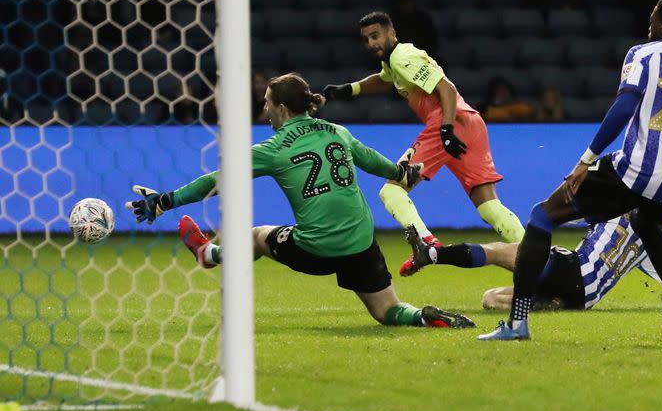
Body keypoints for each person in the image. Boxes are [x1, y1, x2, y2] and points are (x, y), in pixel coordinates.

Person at [478, 0, 662, 341]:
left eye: (652, 18)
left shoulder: (643, 54)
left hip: (637, 169)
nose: (649, 25)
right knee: (645, 224)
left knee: (542, 215)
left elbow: (622, 109)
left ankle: (516, 324)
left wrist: (586, 160)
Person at [125, 73, 474, 330]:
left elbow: (215, 181)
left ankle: (209, 254)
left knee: (255, 236)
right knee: (387, 312)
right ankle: (422, 317)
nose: (264, 111)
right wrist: (404, 173)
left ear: (280, 108)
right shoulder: (338, 132)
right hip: (361, 241)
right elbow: (376, 163)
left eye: (266, 104)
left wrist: (164, 202)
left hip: (317, 249)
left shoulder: (273, 149)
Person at [323, 11, 524, 274]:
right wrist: (351, 89)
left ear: (391, 33)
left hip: (446, 123)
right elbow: (384, 80)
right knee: (488, 206)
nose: (371, 43)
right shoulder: (394, 61)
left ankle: (427, 245)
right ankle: (537, 255)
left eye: (376, 36)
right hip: (470, 123)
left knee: (392, 191)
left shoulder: (403, 58)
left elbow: (447, 89)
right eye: (366, 39)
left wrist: (447, 130)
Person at [401, 212, 662, 312]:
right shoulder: (648, 246)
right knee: (490, 298)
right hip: (582, 297)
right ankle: (548, 302)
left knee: (497, 251)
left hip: (572, 270)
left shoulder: (611, 207)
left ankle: (433, 254)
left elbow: (564, 210)